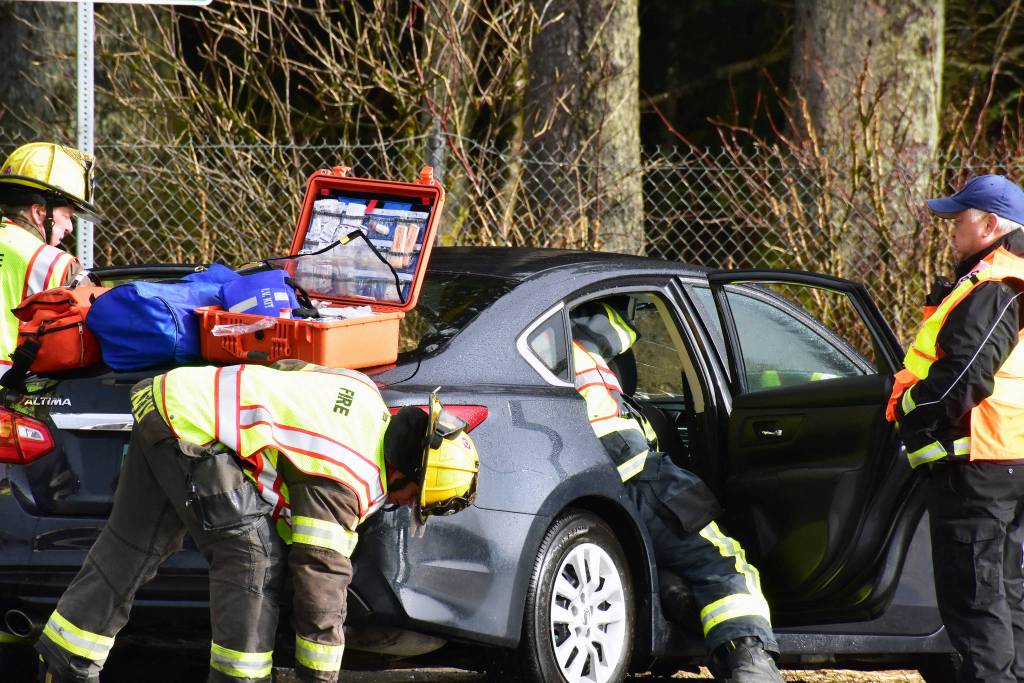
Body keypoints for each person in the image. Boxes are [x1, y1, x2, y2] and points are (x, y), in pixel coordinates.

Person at [35, 360, 479, 683]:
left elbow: (285, 372)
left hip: (168, 397)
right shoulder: (350, 476)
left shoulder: (362, 392)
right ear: (406, 474)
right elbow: (320, 577)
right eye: (411, 499)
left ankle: (65, 659)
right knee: (252, 556)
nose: (402, 506)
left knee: (134, 544)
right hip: (192, 428)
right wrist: (321, 676)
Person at [570, 302, 782, 682]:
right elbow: (617, 327)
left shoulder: (532, 351)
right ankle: (750, 661)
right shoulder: (580, 337)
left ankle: (671, 593)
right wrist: (627, 305)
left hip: (586, 486)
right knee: (723, 562)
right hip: (640, 477)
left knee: (661, 558)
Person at [886, 174, 1024, 683]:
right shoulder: (1009, 277)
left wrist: (911, 410)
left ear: (990, 224)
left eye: (959, 219)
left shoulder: (995, 284)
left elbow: (961, 378)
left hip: (979, 465)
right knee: (1006, 596)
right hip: (1006, 459)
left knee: (977, 604)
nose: (951, 230)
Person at [0, 142, 97, 377]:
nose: (70, 227)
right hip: (11, 397)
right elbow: (96, 334)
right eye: (67, 215)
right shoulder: (58, 265)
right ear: (39, 212)